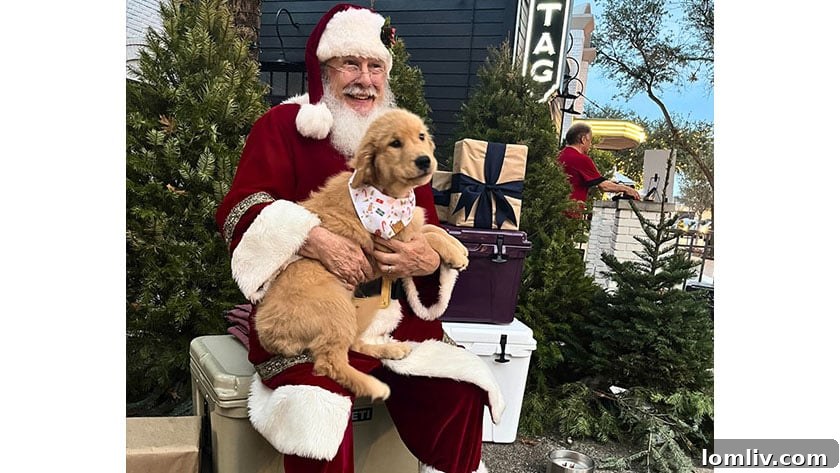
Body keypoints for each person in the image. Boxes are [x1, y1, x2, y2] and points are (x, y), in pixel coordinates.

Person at [215, 4, 500, 473]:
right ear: (324, 71)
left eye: (375, 67)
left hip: (390, 312)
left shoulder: (401, 137)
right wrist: (311, 237)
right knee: (318, 405)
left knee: (459, 387)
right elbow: (239, 209)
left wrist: (424, 260)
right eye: (350, 64)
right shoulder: (281, 128)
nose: (364, 79)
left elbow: (424, 222)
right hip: (313, 309)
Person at [557, 122, 641, 214]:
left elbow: (580, 181)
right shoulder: (581, 159)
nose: (590, 144)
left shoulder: (559, 155)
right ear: (583, 139)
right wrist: (627, 189)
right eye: (590, 140)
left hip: (553, 209)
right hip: (570, 213)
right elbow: (604, 186)